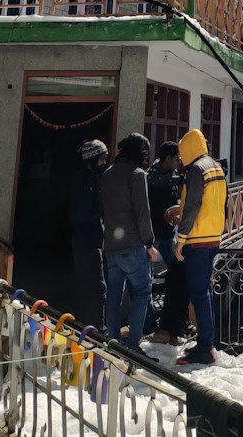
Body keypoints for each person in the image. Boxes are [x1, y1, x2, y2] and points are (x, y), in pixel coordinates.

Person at [101, 132, 159, 352]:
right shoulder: (137, 175)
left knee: (113, 297)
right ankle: (134, 346)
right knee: (142, 293)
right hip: (133, 246)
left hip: (111, 247)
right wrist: (149, 243)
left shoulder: (106, 174)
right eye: (144, 152)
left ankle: (113, 343)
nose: (146, 157)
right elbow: (142, 213)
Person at [174, 128, 227, 365]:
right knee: (204, 292)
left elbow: (193, 205)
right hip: (213, 236)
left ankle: (206, 347)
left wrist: (181, 238)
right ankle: (207, 342)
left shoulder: (196, 169)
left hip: (196, 238)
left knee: (198, 293)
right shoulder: (215, 166)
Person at [69, 138, 107, 330]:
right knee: (96, 287)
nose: (104, 163)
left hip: (90, 240)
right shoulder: (84, 180)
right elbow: (84, 212)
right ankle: (95, 330)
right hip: (87, 242)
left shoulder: (91, 178)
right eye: (101, 159)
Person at [147, 141, 184, 266]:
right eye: (177, 159)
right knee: (148, 273)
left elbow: (177, 197)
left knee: (175, 268)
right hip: (153, 233)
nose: (180, 163)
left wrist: (177, 213)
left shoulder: (174, 175)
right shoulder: (149, 177)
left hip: (168, 232)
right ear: (168, 158)